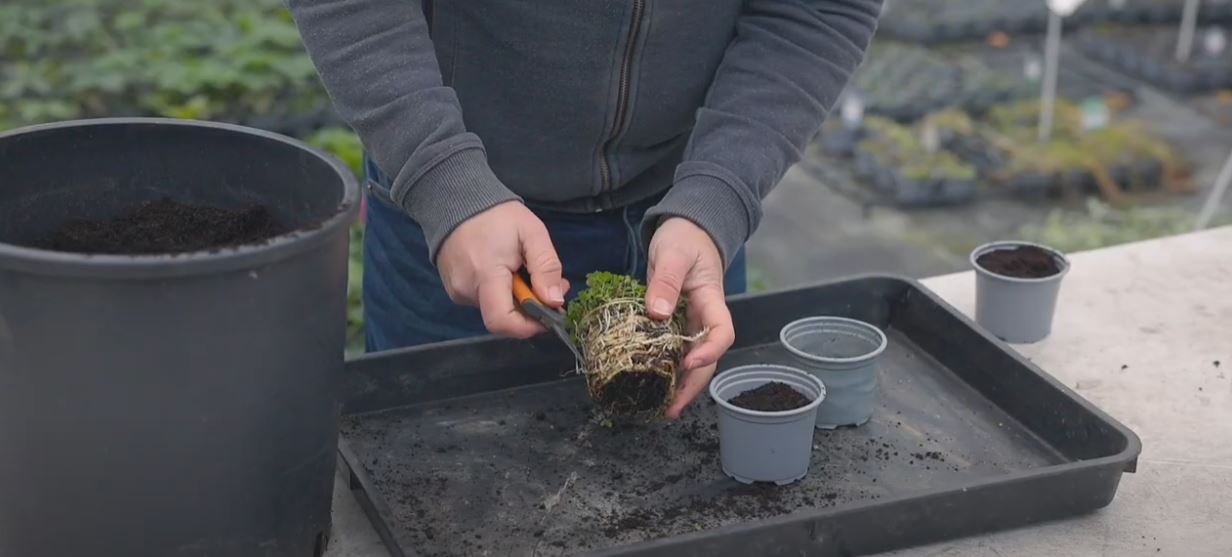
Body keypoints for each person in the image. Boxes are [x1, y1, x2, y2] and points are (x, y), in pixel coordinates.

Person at [288, 0, 881, 418]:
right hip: (461, 219)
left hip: (681, 224)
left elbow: (819, 9)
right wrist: (445, 179)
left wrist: (717, 196)